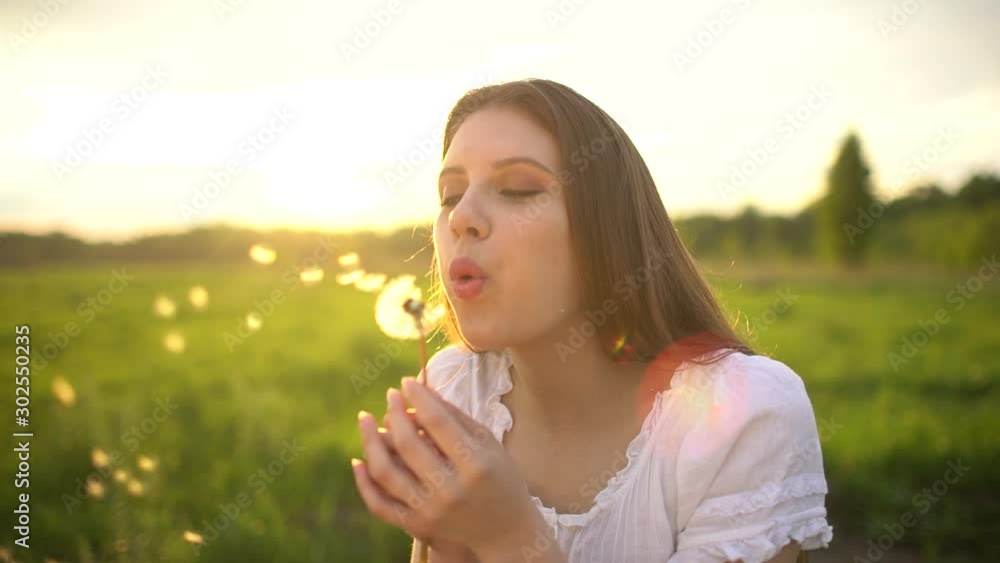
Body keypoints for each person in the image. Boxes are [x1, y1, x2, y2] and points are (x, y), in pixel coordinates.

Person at [351, 78, 833, 562]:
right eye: (451, 195)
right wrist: (451, 536)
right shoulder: (456, 388)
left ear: (607, 228)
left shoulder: (742, 415)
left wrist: (507, 537)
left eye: (517, 189)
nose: (461, 218)